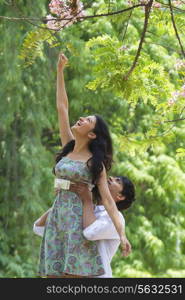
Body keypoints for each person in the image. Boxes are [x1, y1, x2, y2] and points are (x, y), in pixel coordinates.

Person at [38, 53, 130, 278]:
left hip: (77, 225)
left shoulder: (95, 163)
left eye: (87, 120)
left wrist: (122, 234)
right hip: (58, 218)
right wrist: (59, 71)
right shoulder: (68, 147)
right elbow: (62, 107)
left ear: (91, 134)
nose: (81, 118)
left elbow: (108, 200)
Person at [33, 175, 135, 278]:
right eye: (113, 177)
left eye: (117, 181)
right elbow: (39, 228)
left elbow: (89, 233)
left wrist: (87, 199)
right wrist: (63, 199)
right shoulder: (85, 208)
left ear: (121, 196)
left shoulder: (116, 218)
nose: (110, 178)